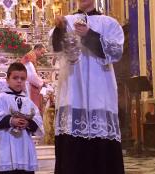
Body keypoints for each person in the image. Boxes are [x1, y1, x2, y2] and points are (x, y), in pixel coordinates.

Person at [50, 0, 125, 173]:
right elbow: (56, 50)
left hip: (100, 91)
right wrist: (60, 29)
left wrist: (89, 34)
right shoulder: (66, 21)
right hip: (72, 90)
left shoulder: (109, 23)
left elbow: (116, 52)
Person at [0, 62, 44, 174]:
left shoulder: (28, 101)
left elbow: (38, 121)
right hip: (4, 147)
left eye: (22, 78)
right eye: (15, 78)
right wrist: (11, 120)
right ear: (7, 79)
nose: (19, 81)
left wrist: (28, 123)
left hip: (24, 148)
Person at [21, 44, 46, 113]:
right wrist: (42, 83)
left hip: (28, 83)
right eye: (42, 53)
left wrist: (40, 81)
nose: (42, 55)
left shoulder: (31, 57)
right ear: (37, 49)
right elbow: (31, 76)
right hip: (28, 86)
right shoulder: (29, 58)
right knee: (30, 109)